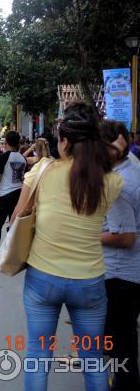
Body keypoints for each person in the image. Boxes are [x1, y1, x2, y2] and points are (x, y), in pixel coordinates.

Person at [12, 101, 122, 390]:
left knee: (38, 355)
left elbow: (16, 219)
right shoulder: (112, 181)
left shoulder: (44, 171)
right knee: (93, 359)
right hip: (90, 283)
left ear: (63, 141)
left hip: (43, 280)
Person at [99, 121, 140, 391]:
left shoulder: (118, 185)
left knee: (121, 338)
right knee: (121, 336)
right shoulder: (131, 163)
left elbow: (125, 237)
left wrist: (86, 235)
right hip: (126, 274)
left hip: (120, 274)